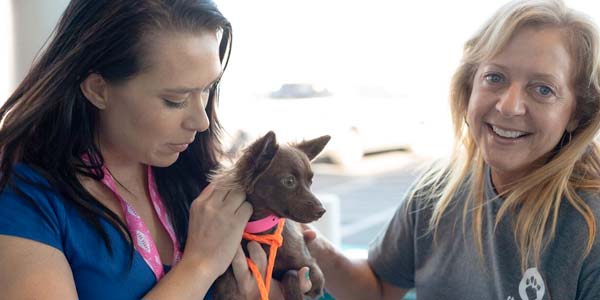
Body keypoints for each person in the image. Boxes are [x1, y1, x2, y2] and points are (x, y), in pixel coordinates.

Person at [0, 1, 312, 299]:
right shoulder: (25, 200)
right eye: (174, 100)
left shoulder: (200, 174)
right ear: (97, 89)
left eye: (207, 89)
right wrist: (200, 267)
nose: (201, 121)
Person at [303, 0, 600, 299]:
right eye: (495, 78)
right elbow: (379, 289)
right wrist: (307, 241)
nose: (509, 106)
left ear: (577, 114)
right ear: (470, 86)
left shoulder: (589, 229)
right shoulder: (437, 192)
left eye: (543, 89)